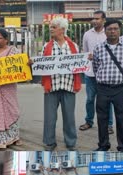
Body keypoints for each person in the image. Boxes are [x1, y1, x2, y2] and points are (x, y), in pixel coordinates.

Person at [92, 20, 123, 151]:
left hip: (120, 89)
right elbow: (95, 66)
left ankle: (122, 145)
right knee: (102, 119)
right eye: (110, 29)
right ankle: (103, 145)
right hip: (103, 88)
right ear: (105, 31)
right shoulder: (99, 48)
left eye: (115, 29)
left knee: (122, 119)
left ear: (119, 30)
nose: (112, 31)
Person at [38, 17, 80, 151]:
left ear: (62, 29)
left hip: (69, 85)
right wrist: (34, 64)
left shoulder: (73, 46)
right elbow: (42, 64)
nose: (51, 29)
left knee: (69, 117)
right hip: (52, 86)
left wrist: (87, 59)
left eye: (54, 27)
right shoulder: (46, 46)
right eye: (51, 27)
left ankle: (71, 142)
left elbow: (79, 64)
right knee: (49, 117)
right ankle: (49, 142)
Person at [79, 10, 115, 134]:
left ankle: (109, 124)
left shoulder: (109, 33)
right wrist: (89, 57)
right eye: (93, 18)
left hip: (106, 74)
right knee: (90, 99)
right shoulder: (87, 34)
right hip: (90, 73)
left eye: (98, 18)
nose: (94, 21)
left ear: (104, 20)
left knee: (107, 100)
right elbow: (85, 52)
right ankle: (89, 121)